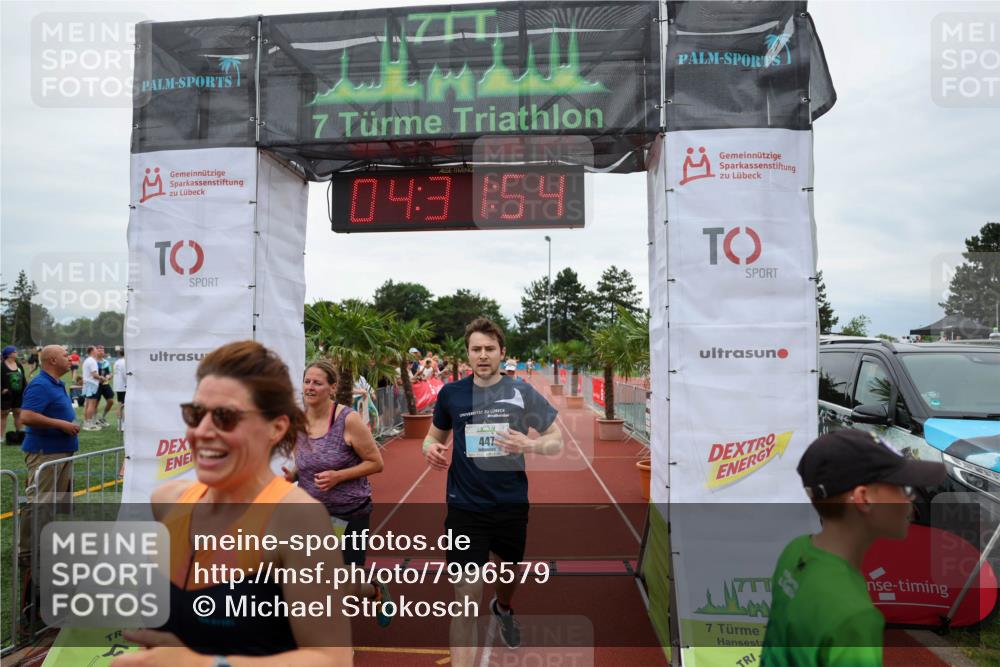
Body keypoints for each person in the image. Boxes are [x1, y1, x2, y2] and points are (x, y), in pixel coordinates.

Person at [113, 341, 352, 665]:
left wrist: (203, 664)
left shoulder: (296, 518)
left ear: (276, 427)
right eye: (195, 414)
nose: (203, 431)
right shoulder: (167, 502)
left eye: (226, 417)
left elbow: (332, 659)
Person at [422, 318, 563, 666]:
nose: (482, 355)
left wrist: (530, 445)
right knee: (465, 596)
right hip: (465, 507)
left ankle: (503, 606)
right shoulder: (451, 394)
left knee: (508, 574)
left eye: (489, 349)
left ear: (502, 353)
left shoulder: (522, 392)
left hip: (510, 505)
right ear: (467, 354)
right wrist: (429, 448)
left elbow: (556, 439)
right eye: (476, 349)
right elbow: (432, 436)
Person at [760, 429, 946, 667]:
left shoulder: (795, 551)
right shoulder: (855, 616)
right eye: (902, 487)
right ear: (863, 498)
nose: (910, 499)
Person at [288, 360, 392, 626]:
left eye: (317, 383)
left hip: (350, 513)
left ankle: (374, 589)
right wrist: (293, 474)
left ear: (332, 388)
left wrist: (338, 476)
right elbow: (306, 461)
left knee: (347, 586)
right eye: (307, 381)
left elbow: (376, 463)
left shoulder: (347, 420)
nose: (310, 387)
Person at [17, 345, 80, 572]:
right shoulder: (41, 384)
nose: (71, 358)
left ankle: (43, 546)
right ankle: (27, 553)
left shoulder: (55, 382)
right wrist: (61, 424)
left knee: (51, 504)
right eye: (65, 355)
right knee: (39, 503)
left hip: (60, 452)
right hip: (45, 452)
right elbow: (26, 416)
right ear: (52, 360)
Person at [2, 346, 28, 445]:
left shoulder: (18, 365)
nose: (16, 353)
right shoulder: (2, 366)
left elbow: (23, 378)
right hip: (6, 395)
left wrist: (25, 388)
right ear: (8, 354)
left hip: (18, 394)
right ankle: (1, 437)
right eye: (14, 351)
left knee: (18, 413)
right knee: (3, 414)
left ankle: (19, 434)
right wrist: (2, 390)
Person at [81, 346, 101, 430]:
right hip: (91, 384)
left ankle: (86, 423)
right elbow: (94, 375)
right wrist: (102, 378)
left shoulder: (87, 360)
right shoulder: (92, 361)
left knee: (88, 404)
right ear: (92, 351)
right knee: (91, 405)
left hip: (87, 383)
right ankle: (89, 424)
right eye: (96, 350)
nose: (97, 351)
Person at [95, 346, 116, 427]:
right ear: (96, 352)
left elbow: (111, 373)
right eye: (99, 350)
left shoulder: (106, 362)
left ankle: (103, 417)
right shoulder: (93, 362)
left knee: (111, 401)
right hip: (96, 385)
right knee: (95, 403)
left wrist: (109, 376)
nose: (101, 352)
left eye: (102, 351)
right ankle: (95, 420)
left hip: (105, 384)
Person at [113, 349, 126, 425]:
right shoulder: (124, 362)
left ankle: (120, 424)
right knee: (122, 405)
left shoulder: (117, 362)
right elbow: (124, 375)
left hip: (118, 386)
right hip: (123, 386)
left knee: (120, 404)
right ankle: (121, 424)